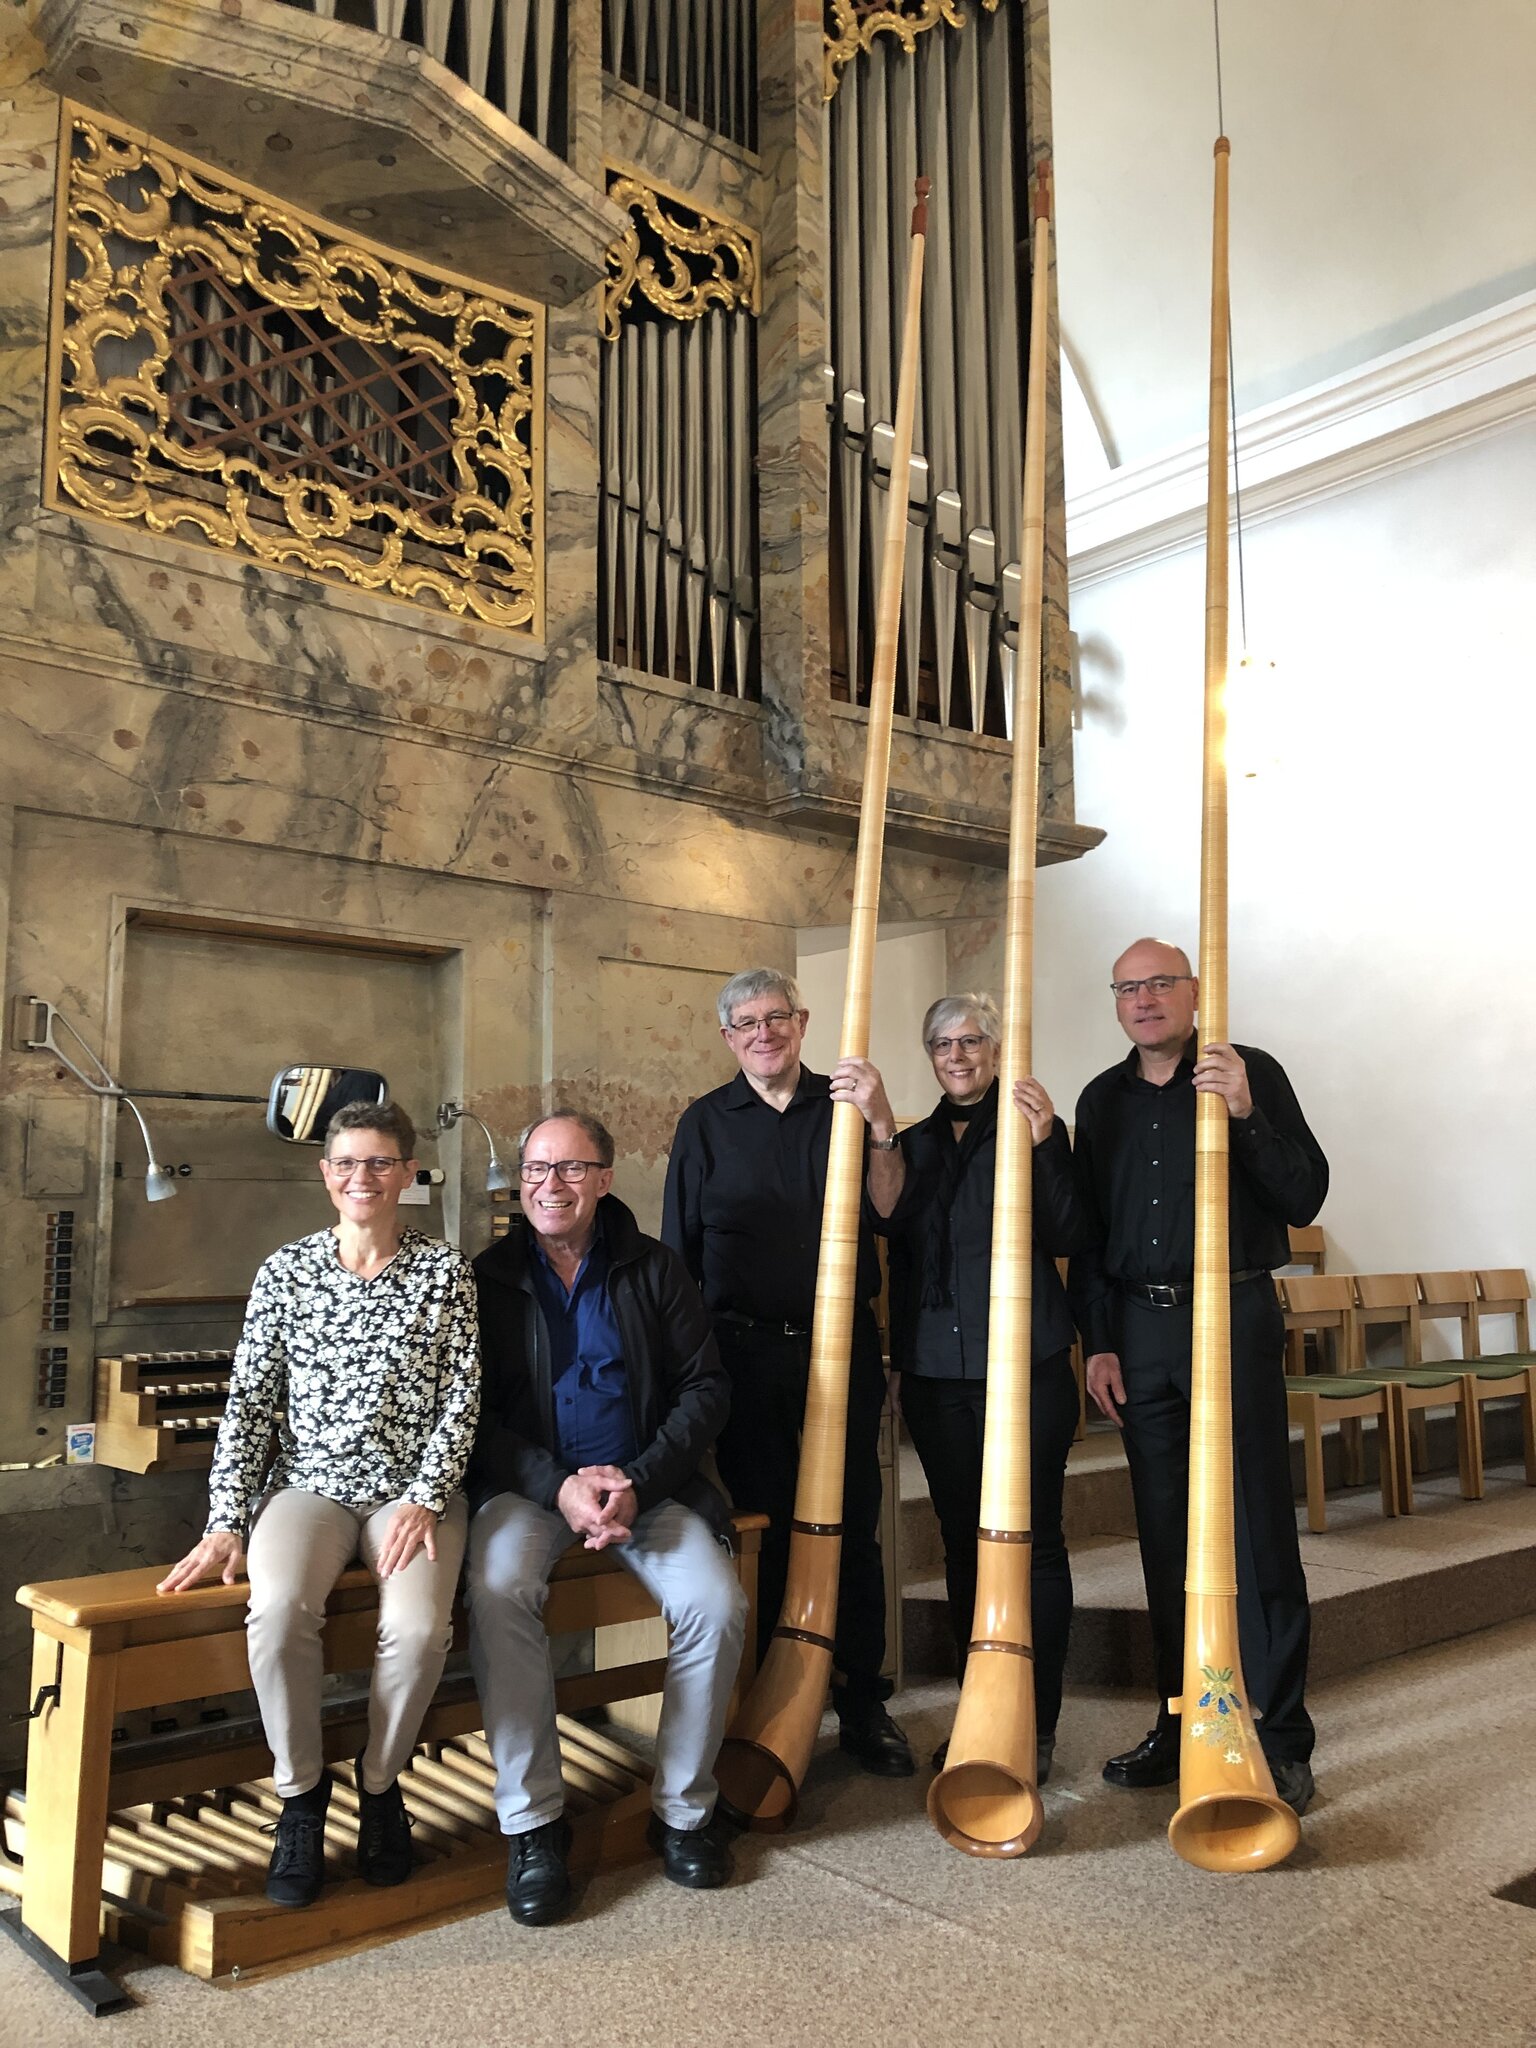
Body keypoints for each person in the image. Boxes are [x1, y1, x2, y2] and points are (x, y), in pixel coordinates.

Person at [158, 1101, 480, 1906]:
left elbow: (463, 1397)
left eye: (379, 1162)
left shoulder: (445, 1272)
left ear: (407, 1173)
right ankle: (301, 1796)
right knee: (276, 1612)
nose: (361, 1177)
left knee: (418, 1630)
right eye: (346, 1163)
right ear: (325, 1174)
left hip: (412, 1493)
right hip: (311, 1487)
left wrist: (427, 1497)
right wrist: (227, 1518)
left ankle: (380, 1784)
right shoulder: (287, 1270)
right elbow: (251, 1404)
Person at [467, 1110, 746, 1927]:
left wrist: (639, 1480)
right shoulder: (486, 1277)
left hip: (644, 1487)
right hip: (532, 1491)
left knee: (715, 1604)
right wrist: (557, 1485)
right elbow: (472, 1414)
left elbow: (706, 1388)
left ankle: (684, 1810)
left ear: (605, 1179)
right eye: (537, 1169)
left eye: (571, 1169)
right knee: (497, 1591)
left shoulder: (654, 1268)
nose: (550, 1185)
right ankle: (534, 1825)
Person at [1070, 938, 1328, 1816]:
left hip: (1232, 1314)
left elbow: (1305, 1195)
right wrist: (1099, 1342)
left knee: (1256, 1529)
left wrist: (1246, 1111)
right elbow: (1092, 1236)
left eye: (1159, 984)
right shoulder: (1101, 1100)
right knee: (1164, 1532)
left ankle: (1280, 1735)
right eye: (1128, 988)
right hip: (1139, 1330)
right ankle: (1185, 1719)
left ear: (1193, 991)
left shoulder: (1248, 1071)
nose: (1144, 1000)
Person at [662, 969, 913, 1777]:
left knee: (854, 1518)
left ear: (802, 1023)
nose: (764, 1033)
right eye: (747, 1023)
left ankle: (863, 1698)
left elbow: (889, 1213)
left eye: (777, 1018)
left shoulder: (844, 1107)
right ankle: (778, 1697)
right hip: (743, 1351)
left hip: (840, 1348)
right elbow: (678, 1257)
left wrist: (882, 1123)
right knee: (764, 1526)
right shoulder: (704, 1123)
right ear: (728, 1037)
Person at [854, 994, 1089, 1781]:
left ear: (996, 1048)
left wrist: (1047, 1143)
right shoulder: (914, 1143)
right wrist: (896, 1357)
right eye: (942, 1044)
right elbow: (890, 1235)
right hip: (936, 1372)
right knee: (964, 1545)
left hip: (1026, 1367)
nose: (957, 1056)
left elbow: (1071, 1232)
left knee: (1035, 1543)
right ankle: (983, 1712)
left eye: (971, 1041)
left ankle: (1037, 1723)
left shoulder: (1032, 1129)